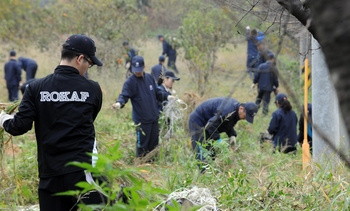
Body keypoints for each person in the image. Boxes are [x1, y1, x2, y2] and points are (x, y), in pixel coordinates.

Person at [0, 34, 107, 211]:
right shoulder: (92, 89)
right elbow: (88, 119)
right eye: (90, 63)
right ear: (80, 58)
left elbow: (19, 126)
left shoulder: (35, 88)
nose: (89, 67)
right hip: (82, 172)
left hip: (49, 175)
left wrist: (3, 118)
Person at [112, 56, 173, 158]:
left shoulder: (149, 78)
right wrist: (119, 103)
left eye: (139, 70)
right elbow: (124, 95)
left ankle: (152, 167)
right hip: (142, 121)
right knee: (142, 147)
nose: (137, 72)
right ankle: (140, 167)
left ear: (144, 67)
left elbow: (158, 92)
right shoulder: (130, 82)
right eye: (135, 70)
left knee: (153, 146)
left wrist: (168, 97)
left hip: (153, 118)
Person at [189, 97, 258, 162]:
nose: (245, 118)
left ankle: (210, 168)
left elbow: (227, 122)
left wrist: (232, 135)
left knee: (210, 150)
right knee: (199, 147)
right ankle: (202, 172)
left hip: (209, 121)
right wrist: (219, 140)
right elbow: (210, 125)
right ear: (241, 109)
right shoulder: (227, 110)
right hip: (198, 119)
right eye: (246, 116)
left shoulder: (235, 110)